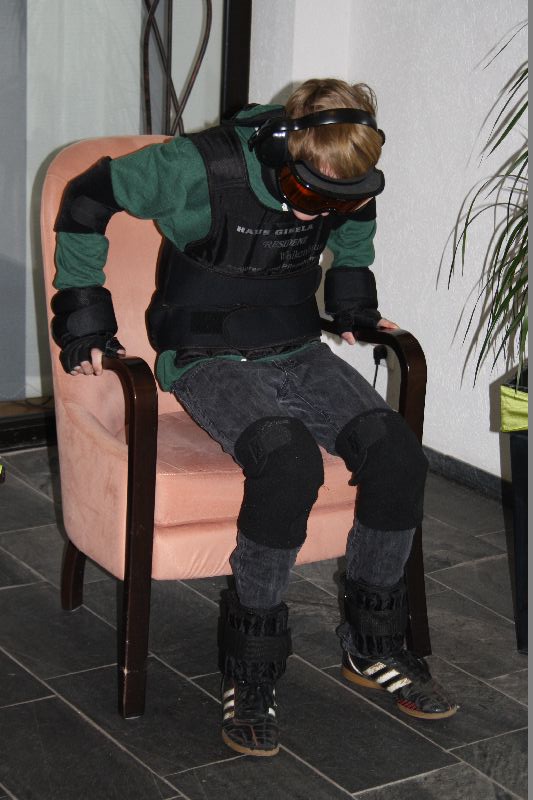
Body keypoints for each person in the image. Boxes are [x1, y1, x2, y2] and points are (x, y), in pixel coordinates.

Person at [51, 78, 457, 758]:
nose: (311, 214)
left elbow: (355, 228)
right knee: (287, 462)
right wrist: (84, 312)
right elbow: (89, 197)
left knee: (396, 453)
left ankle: (372, 645)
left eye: (332, 199)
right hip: (205, 353)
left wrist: (351, 297)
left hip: (294, 344)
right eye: (304, 193)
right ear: (279, 151)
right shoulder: (197, 167)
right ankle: (252, 671)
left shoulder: (342, 182)